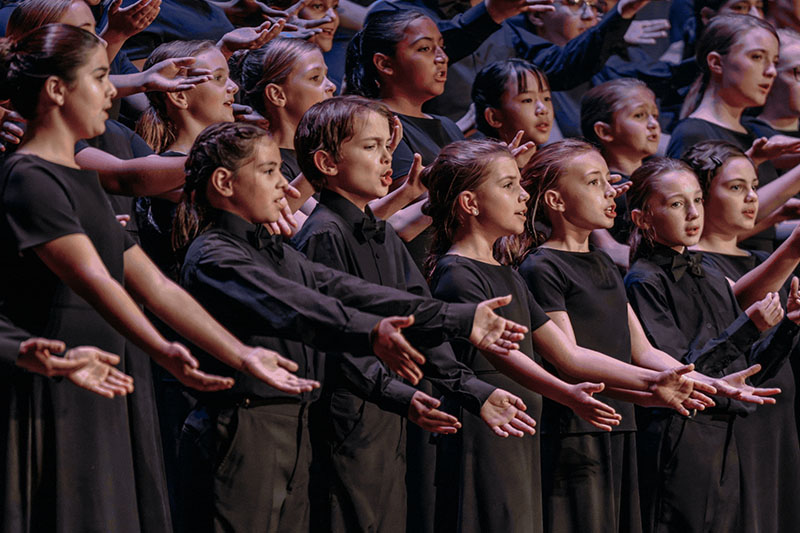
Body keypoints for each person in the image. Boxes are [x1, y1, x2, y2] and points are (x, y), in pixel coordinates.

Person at [0, 23, 318, 533]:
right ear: (57, 90)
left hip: (110, 368)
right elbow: (95, 280)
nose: (112, 92)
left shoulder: (76, 179)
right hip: (61, 372)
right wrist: (162, 348)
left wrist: (242, 355)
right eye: (101, 77)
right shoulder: (29, 177)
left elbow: (155, 285)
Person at [171, 121, 537, 532]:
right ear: (224, 182)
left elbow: (351, 290)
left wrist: (461, 319)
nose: (287, 186)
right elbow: (301, 306)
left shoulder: (278, 252)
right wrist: (371, 332)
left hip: (291, 426)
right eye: (270, 172)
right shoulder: (215, 254)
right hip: (241, 427)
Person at [291, 95, 571, 532]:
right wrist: (409, 396)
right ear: (327, 162)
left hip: (391, 417)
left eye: (388, 146)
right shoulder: (325, 235)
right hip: (349, 418)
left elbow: (424, 324)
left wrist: (475, 392)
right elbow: (338, 343)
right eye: (371, 147)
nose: (387, 157)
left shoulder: (380, 235)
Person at [422, 138, 713, 533]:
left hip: (523, 420)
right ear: (471, 204)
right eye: (509, 186)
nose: (524, 196)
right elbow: (519, 358)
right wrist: (565, 393)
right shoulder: (459, 273)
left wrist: (650, 392)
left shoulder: (507, 271)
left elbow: (563, 352)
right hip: (487, 422)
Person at [512, 138, 783, 532]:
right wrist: (658, 383)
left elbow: (642, 349)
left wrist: (712, 384)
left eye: (608, 180)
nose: (609, 191)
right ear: (555, 200)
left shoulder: (603, 262)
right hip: (576, 422)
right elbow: (568, 357)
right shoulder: (543, 266)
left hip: (622, 421)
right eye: (593, 182)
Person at [624, 156, 791, 533]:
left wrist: (787, 328)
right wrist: (749, 327)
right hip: (682, 432)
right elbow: (683, 368)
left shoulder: (712, 272)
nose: (693, 213)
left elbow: (749, 368)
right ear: (642, 219)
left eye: (697, 201)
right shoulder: (644, 281)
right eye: (677, 204)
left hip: (727, 431)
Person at [683, 139, 800, 532]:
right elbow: (731, 306)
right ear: (698, 196)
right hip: (734, 420)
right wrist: (794, 249)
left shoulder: (755, 259)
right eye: (735, 188)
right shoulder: (690, 266)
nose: (752, 197)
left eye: (754, 186)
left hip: (777, 416)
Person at [580, 78, 661, 267]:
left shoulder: (653, 181)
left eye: (655, 115)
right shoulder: (610, 192)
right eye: (639, 115)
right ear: (604, 131)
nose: (653, 124)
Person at [471, 58, 553, 169]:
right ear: (494, 117)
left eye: (547, 98)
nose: (543, 109)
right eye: (527, 100)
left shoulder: (555, 167)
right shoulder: (481, 174)